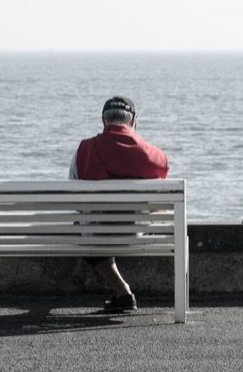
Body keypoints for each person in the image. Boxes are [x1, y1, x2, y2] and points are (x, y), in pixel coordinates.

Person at [69, 96, 169, 313]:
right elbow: (161, 201)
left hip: (95, 236)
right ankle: (123, 292)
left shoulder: (84, 150)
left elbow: (74, 198)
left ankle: (122, 290)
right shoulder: (153, 156)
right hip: (137, 235)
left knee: (80, 225)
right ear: (134, 121)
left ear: (104, 121)